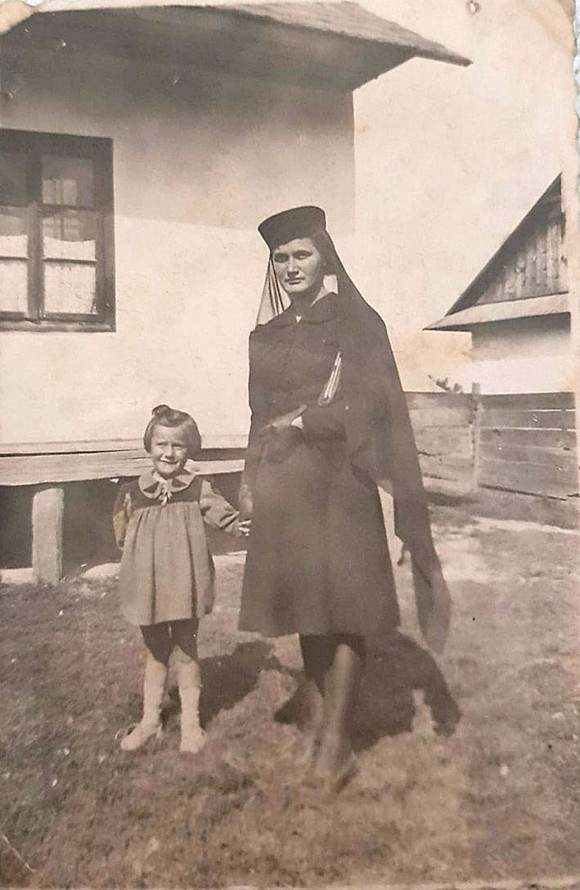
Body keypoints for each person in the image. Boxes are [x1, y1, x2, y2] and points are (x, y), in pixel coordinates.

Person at [238, 206, 450, 793]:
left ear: (324, 256)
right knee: (308, 606)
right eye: (281, 258)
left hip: (341, 483)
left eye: (301, 255)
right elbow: (257, 413)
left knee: (347, 609)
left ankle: (336, 742)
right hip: (285, 485)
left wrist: (308, 421)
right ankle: (320, 717)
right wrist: (249, 478)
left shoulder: (357, 324)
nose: (290, 267)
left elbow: (374, 409)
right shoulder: (267, 334)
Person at [113, 404, 249, 754]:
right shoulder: (132, 492)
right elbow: (121, 535)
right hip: (149, 586)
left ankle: (191, 724)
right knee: (156, 651)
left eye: (178, 445)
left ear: (189, 450)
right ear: (149, 446)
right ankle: (150, 722)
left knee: (187, 652)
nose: (169, 453)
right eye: (161, 444)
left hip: (186, 583)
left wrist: (245, 525)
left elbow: (226, 518)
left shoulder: (198, 488)